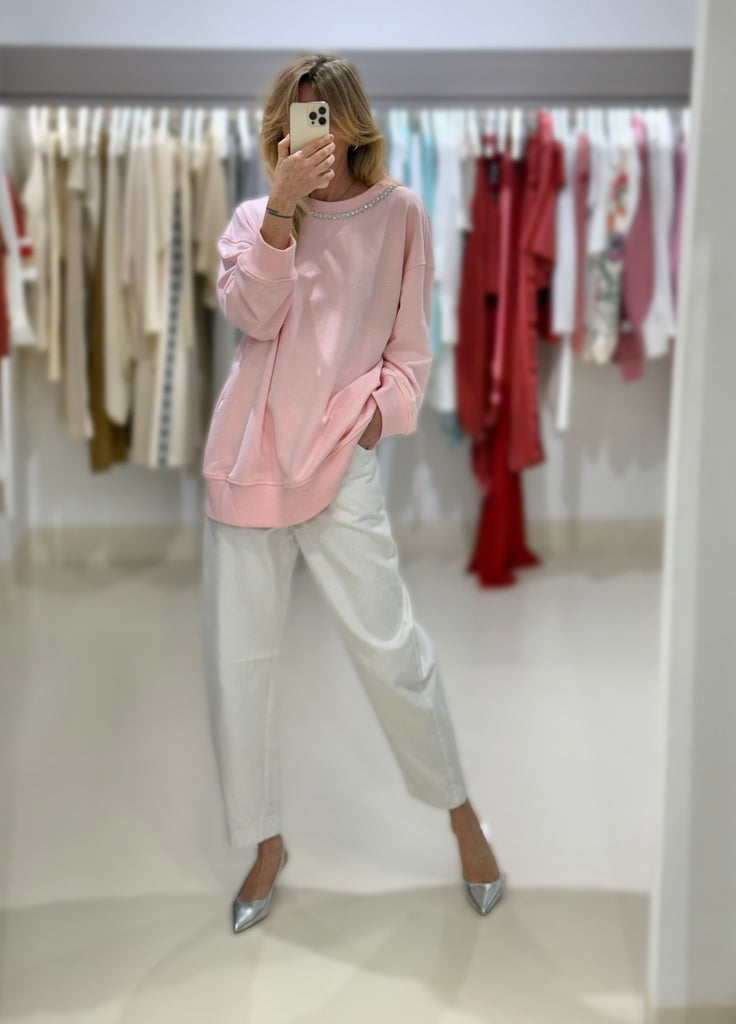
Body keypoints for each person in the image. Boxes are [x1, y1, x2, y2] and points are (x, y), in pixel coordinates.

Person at [201, 52, 505, 933]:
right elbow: (252, 316)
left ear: (351, 122)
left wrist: (374, 418)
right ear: (279, 130)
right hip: (246, 467)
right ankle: (265, 845)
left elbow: (410, 351)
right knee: (241, 669)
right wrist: (283, 211)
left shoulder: (399, 213)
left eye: (323, 116)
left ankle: (463, 820)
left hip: (339, 463)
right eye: (297, 118)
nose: (312, 133)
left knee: (391, 651)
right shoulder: (255, 219)